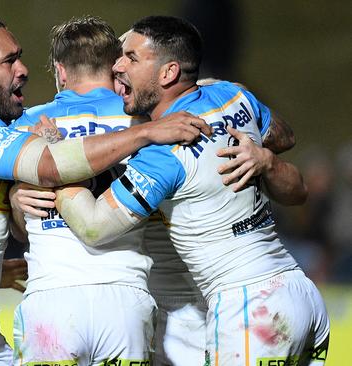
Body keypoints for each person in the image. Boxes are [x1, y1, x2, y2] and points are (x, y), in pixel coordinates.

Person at [0, 15, 211, 366]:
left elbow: (22, 219)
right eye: (8, 61)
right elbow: (50, 165)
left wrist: (16, 198)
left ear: (61, 71)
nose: (23, 69)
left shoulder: (2, 122)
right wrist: (146, 133)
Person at [55, 16, 329, 366]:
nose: (117, 66)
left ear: (168, 73)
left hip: (247, 307)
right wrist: (263, 156)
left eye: (131, 58)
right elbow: (285, 137)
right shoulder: (232, 96)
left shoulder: (164, 152)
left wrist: (58, 168)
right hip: (300, 293)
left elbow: (94, 227)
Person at [8, 16, 155, 365]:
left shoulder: (25, 124)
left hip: (52, 296)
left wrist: (16, 195)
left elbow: (19, 230)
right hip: (124, 295)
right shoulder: (142, 122)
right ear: (116, 66)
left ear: (60, 70)